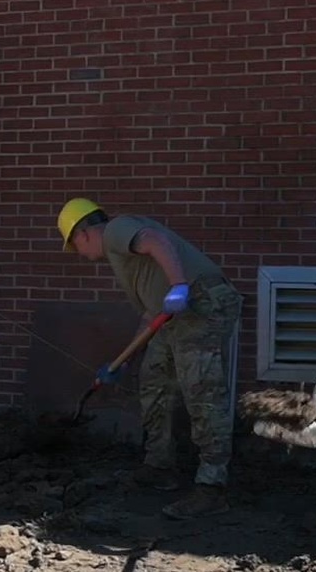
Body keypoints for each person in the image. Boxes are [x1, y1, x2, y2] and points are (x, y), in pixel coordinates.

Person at [58, 198, 243, 520]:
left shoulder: (116, 230)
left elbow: (155, 240)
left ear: (84, 232)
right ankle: (159, 467)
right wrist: (123, 361)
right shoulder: (124, 260)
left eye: (75, 246)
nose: (82, 256)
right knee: (154, 382)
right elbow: (151, 315)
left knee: (202, 393)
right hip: (174, 315)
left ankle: (211, 488)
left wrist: (179, 285)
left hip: (201, 303)